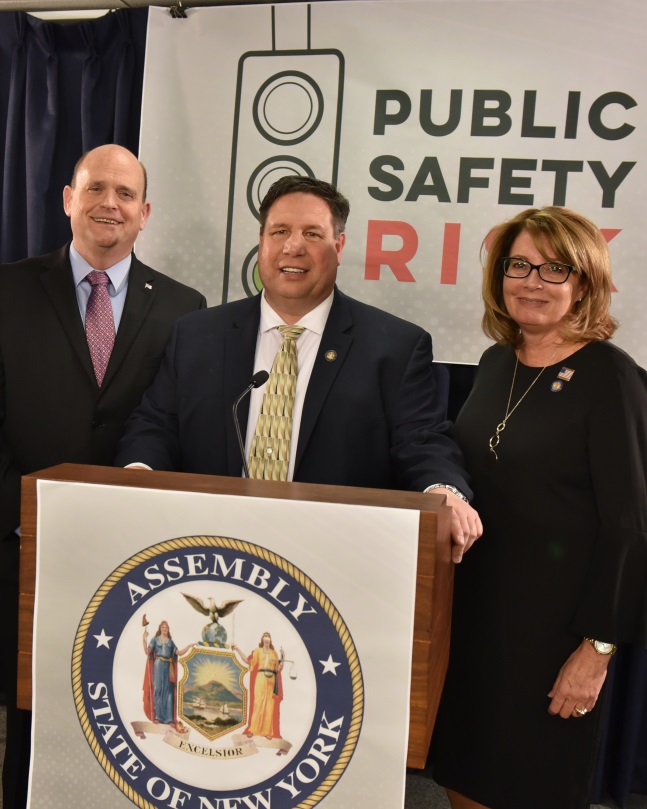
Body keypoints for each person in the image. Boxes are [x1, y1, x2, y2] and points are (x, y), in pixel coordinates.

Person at [116, 175, 482, 558]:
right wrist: (139, 471)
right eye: (280, 232)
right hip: (208, 549)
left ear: (338, 246)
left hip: (333, 557)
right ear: (261, 243)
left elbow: (422, 441)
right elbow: (155, 425)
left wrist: (444, 492)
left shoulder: (394, 347)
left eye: (312, 234)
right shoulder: (197, 334)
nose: (293, 247)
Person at [0, 144, 206, 807]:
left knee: (125, 723)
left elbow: (179, 427)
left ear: (145, 213)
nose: (108, 203)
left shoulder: (184, 308)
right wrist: (24, 509)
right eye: (94, 189)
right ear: (67, 199)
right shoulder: (5, 289)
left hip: (132, 557)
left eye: (124, 193)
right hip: (17, 546)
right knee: (29, 720)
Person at [431, 206, 647, 809]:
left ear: (585, 281)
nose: (533, 281)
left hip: (555, 640)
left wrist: (597, 651)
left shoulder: (612, 376)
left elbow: (630, 529)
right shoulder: (497, 361)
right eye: (519, 265)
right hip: (473, 624)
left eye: (555, 269)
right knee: (462, 781)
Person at [233, 633, 284, 740]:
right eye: (265, 639)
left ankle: (267, 732)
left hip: (271, 679)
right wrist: (237, 649)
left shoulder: (274, 653)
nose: (267, 641)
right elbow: (248, 661)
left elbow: (278, 669)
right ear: (262, 640)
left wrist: (283, 658)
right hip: (260, 678)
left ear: (270, 641)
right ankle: (253, 730)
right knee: (258, 704)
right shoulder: (258, 651)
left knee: (269, 705)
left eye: (268, 639)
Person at [143, 621, 190, 730]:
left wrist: (189, 646)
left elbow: (179, 653)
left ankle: (169, 719)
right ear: (160, 628)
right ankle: (158, 717)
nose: (165, 629)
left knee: (169, 692)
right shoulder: (155, 639)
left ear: (168, 629)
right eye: (163, 627)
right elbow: (147, 651)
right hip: (158, 665)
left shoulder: (171, 642)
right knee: (158, 690)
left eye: (166, 627)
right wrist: (144, 639)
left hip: (169, 667)